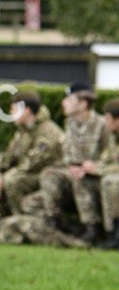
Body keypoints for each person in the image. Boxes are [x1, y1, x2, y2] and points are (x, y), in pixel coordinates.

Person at [0, 89, 64, 222]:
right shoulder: (24, 131)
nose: (11, 113)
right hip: (30, 174)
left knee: (12, 180)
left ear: (27, 110)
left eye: (14, 109)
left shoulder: (48, 131)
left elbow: (31, 163)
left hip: (49, 176)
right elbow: (8, 155)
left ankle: (21, 222)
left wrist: (4, 175)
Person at [39, 82, 110, 245]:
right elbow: (67, 154)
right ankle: (55, 224)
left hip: (94, 176)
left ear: (83, 103)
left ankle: (92, 229)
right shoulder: (69, 123)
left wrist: (91, 168)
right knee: (49, 174)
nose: (64, 103)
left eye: (69, 100)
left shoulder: (102, 125)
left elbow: (110, 156)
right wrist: (70, 166)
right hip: (72, 172)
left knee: (80, 179)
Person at [82, 98, 119, 249]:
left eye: (108, 118)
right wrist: (89, 167)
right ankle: (92, 229)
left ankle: (114, 233)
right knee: (82, 179)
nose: (106, 122)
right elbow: (107, 159)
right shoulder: (113, 138)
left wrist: (99, 170)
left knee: (110, 181)